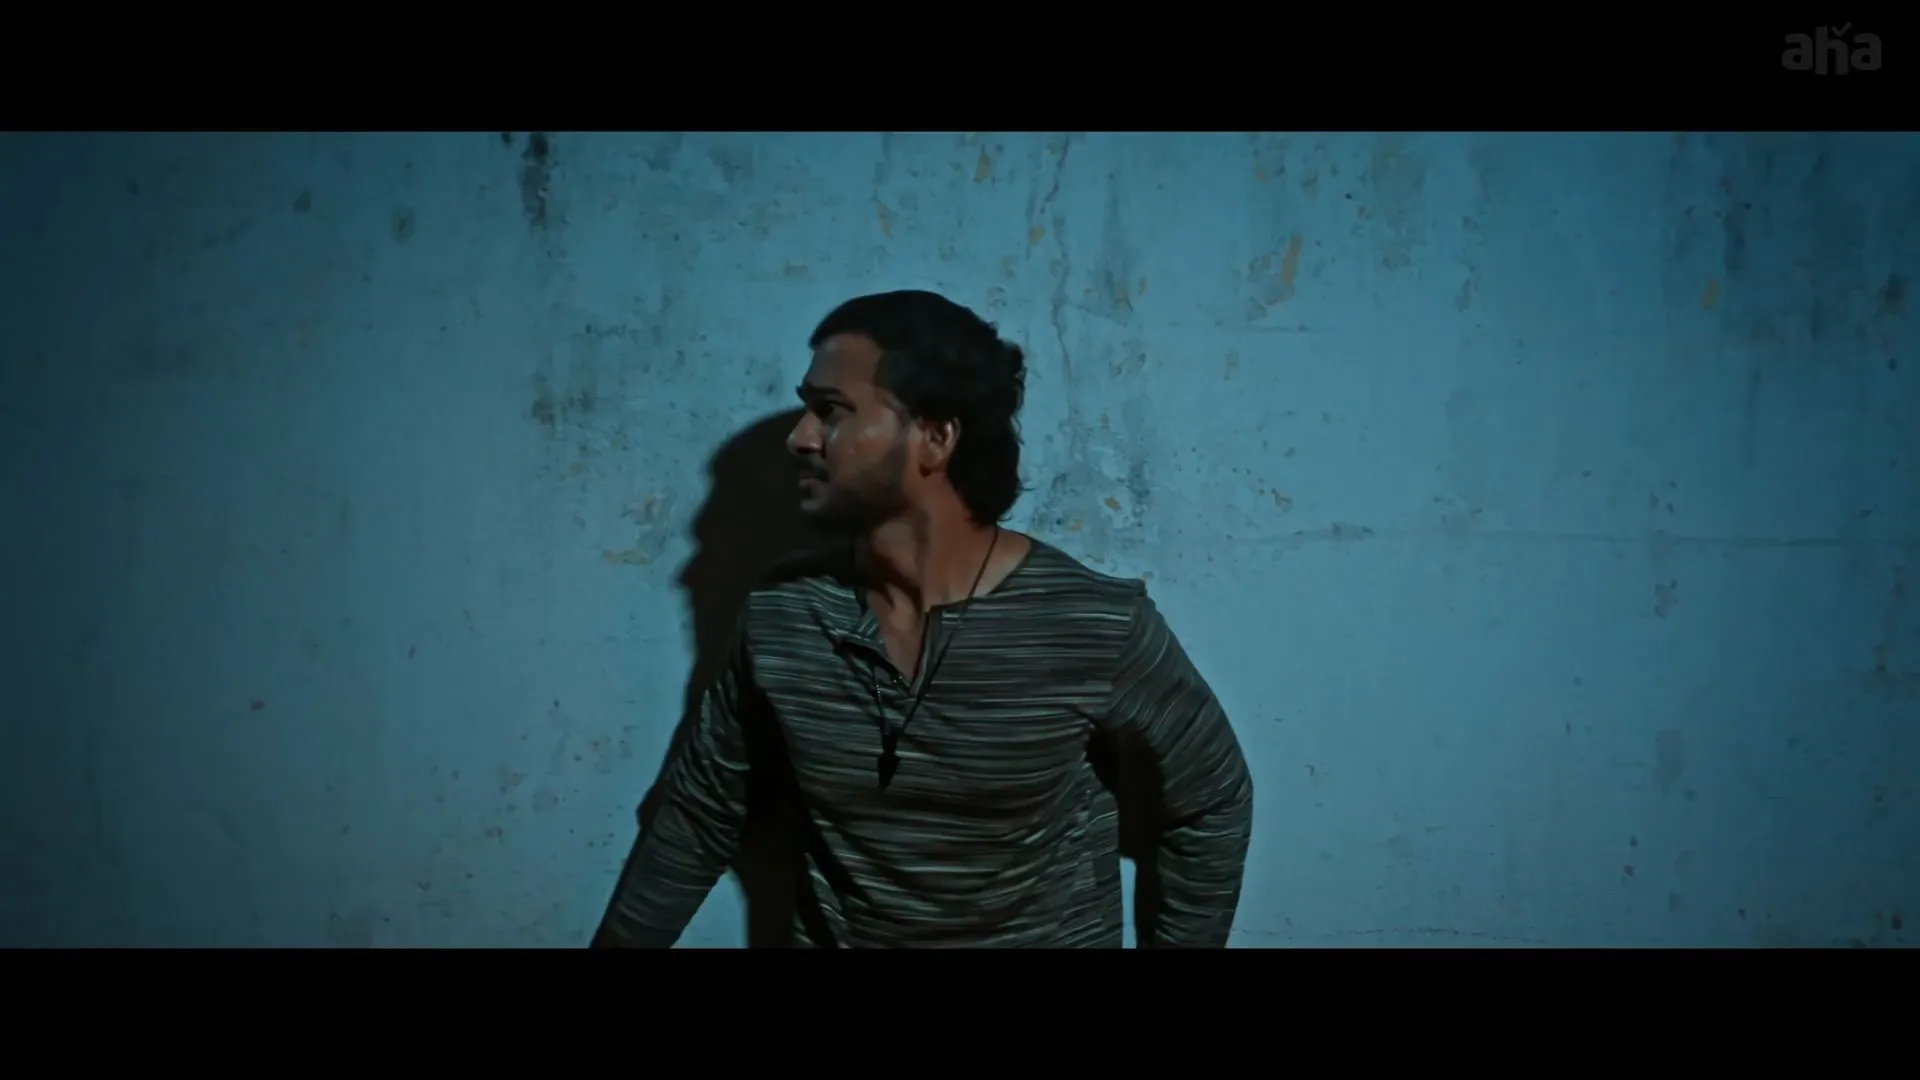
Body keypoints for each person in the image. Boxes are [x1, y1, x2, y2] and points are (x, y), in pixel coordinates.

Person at [595, 289, 1254, 948]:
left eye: (831, 410)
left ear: (935, 437)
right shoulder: (786, 614)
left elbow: (1213, 799)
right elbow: (701, 814)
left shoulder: (1092, 623)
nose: (801, 437)